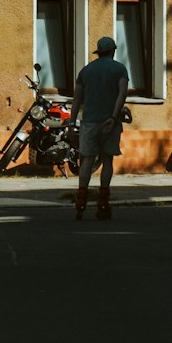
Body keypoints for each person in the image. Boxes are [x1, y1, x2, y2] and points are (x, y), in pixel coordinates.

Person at [69, 35, 128, 220]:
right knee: (108, 160)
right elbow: (122, 94)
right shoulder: (120, 69)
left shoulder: (85, 71)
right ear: (113, 51)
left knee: (87, 160)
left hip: (89, 123)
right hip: (110, 123)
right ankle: (103, 202)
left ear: (99, 52)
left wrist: (72, 123)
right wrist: (113, 116)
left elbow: (77, 99)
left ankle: (81, 201)